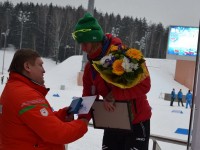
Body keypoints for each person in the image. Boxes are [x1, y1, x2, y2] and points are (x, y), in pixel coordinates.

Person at [72, 13, 151, 150]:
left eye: (85, 43)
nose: (83, 49)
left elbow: (145, 85)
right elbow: (88, 96)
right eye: (81, 44)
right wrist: (83, 119)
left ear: (95, 40)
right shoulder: (90, 67)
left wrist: (115, 95)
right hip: (113, 121)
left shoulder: (127, 56)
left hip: (137, 122)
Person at [0, 49, 88, 150]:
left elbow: (36, 121)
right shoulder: (26, 95)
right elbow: (57, 133)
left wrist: (62, 115)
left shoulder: (15, 88)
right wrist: (83, 122)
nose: (44, 70)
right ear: (27, 66)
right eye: (40, 65)